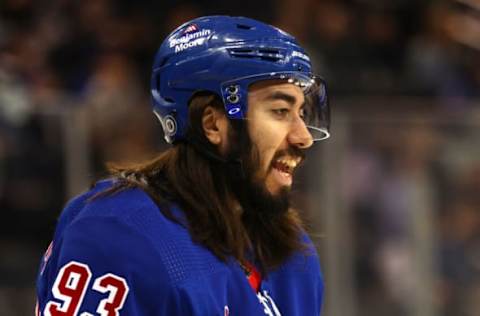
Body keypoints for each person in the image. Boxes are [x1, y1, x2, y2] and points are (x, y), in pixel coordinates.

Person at [35, 15, 330, 316]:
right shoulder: (120, 236)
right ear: (213, 124)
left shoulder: (291, 256)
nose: (303, 136)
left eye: (302, 113)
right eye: (280, 111)